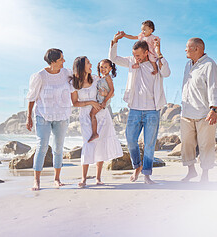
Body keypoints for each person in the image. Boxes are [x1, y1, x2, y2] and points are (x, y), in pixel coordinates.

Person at [109, 31, 171, 184]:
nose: (136, 57)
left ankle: (147, 175)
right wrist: (115, 41)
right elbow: (113, 59)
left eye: (138, 55)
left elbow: (167, 73)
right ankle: (137, 165)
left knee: (149, 144)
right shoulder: (131, 62)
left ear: (146, 52)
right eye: (134, 55)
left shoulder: (156, 62)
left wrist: (159, 52)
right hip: (135, 109)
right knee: (130, 139)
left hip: (152, 110)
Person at [70, 56, 123, 188]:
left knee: (100, 144)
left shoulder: (95, 78)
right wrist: (90, 102)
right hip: (86, 116)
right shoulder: (74, 84)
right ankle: (84, 178)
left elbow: (109, 91)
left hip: (102, 115)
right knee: (88, 144)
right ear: (81, 66)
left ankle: (98, 178)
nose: (91, 64)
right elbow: (75, 103)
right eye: (88, 63)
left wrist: (104, 96)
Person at [26, 48, 72, 191]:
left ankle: (57, 179)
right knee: (42, 147)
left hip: (62, 116)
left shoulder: (66, 73)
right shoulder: (40, 76)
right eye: (61, 59)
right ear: (52, 61)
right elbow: (32, 97)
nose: (64, 61)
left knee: (58, 148)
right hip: (43, 115)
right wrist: (28, 117)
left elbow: (79, 81)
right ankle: (36, 181)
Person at [180, 38, 217, 183]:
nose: (185, 50)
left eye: (187, 47)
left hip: (204, 113)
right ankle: (191, 172)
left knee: (206, 145)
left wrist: (214, 109)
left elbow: (214, 87)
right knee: (186, 143)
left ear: (196, 48)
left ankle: (205, 175)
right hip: (186, 113)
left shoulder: (209, 64)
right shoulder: (188, 65)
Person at [88, 59, 117, 143]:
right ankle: (95, 132)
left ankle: (95, 133)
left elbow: (112, 90)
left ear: (110, 69)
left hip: (103, 101)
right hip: (100, 100)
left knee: (92, 114)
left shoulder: (108, 77)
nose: (103, 69)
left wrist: (105, 101)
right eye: (101, 67)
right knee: (93, 114)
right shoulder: (102, 78)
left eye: (105, 67)